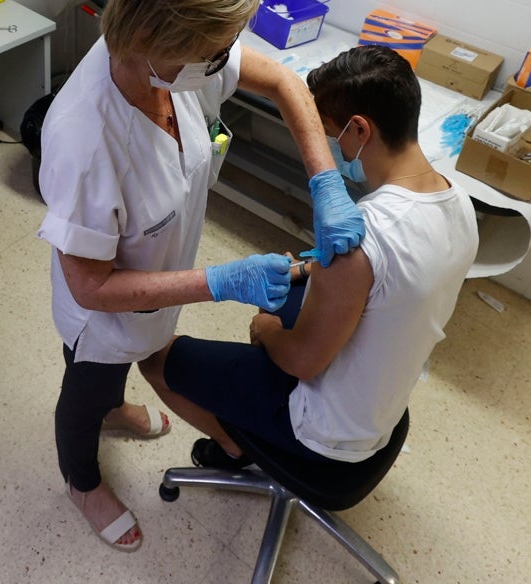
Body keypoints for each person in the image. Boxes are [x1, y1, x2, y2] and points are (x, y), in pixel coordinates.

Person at [37, 0, 366, 552]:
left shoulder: (174, 69)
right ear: (157, 42)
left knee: (141, 350)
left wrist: (326, 181)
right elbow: (90, 283)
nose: (227, 60)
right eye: (216, 52)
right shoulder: (85, 140)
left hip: (160, 279)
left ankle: (114, 409)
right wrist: (223, 281)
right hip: (103, 312)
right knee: (84, 387)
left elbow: (285, 82)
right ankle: (82, 478)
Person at [147, 44, 478, 473]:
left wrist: (265, 330)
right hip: (380, 407)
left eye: (327, 130)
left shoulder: (365, 235)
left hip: (322, 432)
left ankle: (234, 447)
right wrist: (309, 268)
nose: (324, 143)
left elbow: (302, 360)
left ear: (359, 130)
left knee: (155, 359)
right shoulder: (459, 202)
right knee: (289, 295)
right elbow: (392, 280)